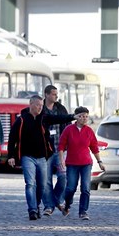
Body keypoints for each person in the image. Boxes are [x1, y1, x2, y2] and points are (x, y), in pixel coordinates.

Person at [7, 95, 76, 220]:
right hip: (27, 157)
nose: (40, 108)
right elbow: (12, 138)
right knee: (30, 184)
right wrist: (11, 155)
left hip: (42, 158)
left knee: (42, 185)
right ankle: (32, 210)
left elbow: (58, 118)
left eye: (41, 105)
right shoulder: (21, 120)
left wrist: (72, 116)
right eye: (37, 105)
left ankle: (37, 205)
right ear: (31, 104)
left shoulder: (44, 118)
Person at [59, 106, 105, 220]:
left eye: (86, 116)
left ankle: (83, 211)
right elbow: (61, 146)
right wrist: (61, 161)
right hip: (72, 163)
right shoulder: (69, 129)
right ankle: (67, 205)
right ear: (76, 117)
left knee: (85, 188)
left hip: (86, 164)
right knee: (70, 188)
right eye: (82, 116)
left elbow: (94, 147)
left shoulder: (89, 131)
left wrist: (100, 162)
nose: (84, 119)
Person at [41, 85, 70, 216]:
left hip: (60, 150)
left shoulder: (61, 109)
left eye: (56, 94)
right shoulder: (40, 109)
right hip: (45, 151)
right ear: (46, 94)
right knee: (45, 180)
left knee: (63, 177)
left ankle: (57, 200)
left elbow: (68, 126)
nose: (56, 97)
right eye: (53, 94)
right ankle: (48, 206)